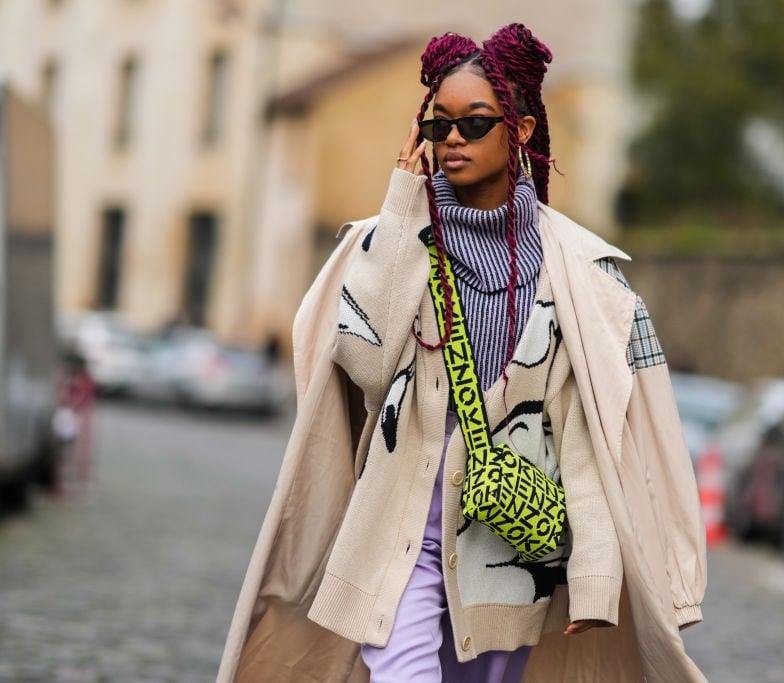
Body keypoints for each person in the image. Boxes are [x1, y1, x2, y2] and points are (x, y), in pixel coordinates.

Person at [218, 24, 707, 683]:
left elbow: (595, 442)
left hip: (509, 551)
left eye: (474, 124)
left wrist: (594, 579)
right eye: (435, 124)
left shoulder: (584, 278)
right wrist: (399, 209)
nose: (451, 139)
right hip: (399, 540)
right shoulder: (386, 242)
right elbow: (363, 364)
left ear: (522, 130)